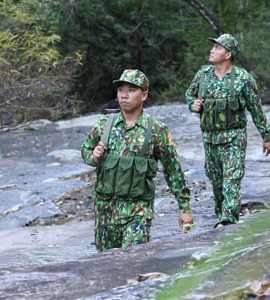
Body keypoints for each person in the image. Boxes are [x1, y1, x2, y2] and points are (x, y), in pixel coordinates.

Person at [81, 69, 194, 251]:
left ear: (144, 95)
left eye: (131, 90)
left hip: (138, 212)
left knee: (132, 262)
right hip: (105, 213)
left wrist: (185, 208)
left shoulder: (156, 130)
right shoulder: (104, 125)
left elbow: (173, 170)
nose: (124, 95)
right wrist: (93, 156)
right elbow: (85, 150)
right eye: (120, 90)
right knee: (106, 267)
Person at [185, 34, 270, 227]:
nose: (212, 50)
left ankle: (228, 221)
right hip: (210, 139)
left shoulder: (243, 79)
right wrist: (194, 104)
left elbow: (256, 109)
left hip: (234, 138)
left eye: (217, 48)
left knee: (231, 179)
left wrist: (266, 136)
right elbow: (189, 95)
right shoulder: (203, 76)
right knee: (216, 182)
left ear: (228, 54)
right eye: (213, 47)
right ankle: (221, 216)